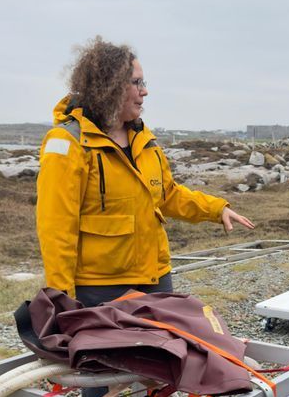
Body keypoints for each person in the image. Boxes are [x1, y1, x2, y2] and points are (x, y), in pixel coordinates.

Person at [36, 36, 254, 308]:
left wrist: (215, 209)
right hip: (100, 287)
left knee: (162, 349)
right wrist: (61, 299)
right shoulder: (67, 142)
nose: (144, 91)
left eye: (144, 83)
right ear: (111, 86)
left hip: (155, 277)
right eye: (136, 82)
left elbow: (167, 194)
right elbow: (56, 229)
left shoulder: (142, 137)